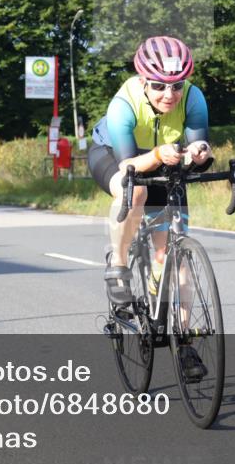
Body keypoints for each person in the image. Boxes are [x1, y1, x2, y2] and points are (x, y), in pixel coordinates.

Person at [88, 35, 211, 380]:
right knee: (135, 194)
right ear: (143, 80)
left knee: (174, 257)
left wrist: (200, 153)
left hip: (163, 160)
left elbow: (199, 143)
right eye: (158, 86)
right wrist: (157, 155)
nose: (169, 95)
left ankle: (183, 343)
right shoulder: (122, 105)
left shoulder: (194, 98)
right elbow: (130, 167)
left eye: (176, 85)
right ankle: (119, 262)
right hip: (115, 157)